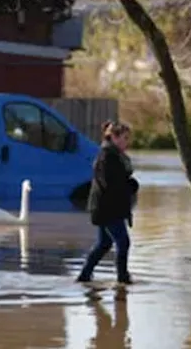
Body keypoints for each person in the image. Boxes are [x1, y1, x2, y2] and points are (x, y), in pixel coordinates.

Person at [77, 121, 140, 284]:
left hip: (107, 207)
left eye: (128, 138)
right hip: (107, 208)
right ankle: (122, 279)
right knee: (123, 242)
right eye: (125, 138)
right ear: (113, 137)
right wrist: (130, 186)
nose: (127, 142)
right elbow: (110, 184)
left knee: (104, 243)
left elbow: (117, 181)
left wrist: (129, 185)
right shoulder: (107, 156)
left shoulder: (114, 156)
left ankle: (84, 276)